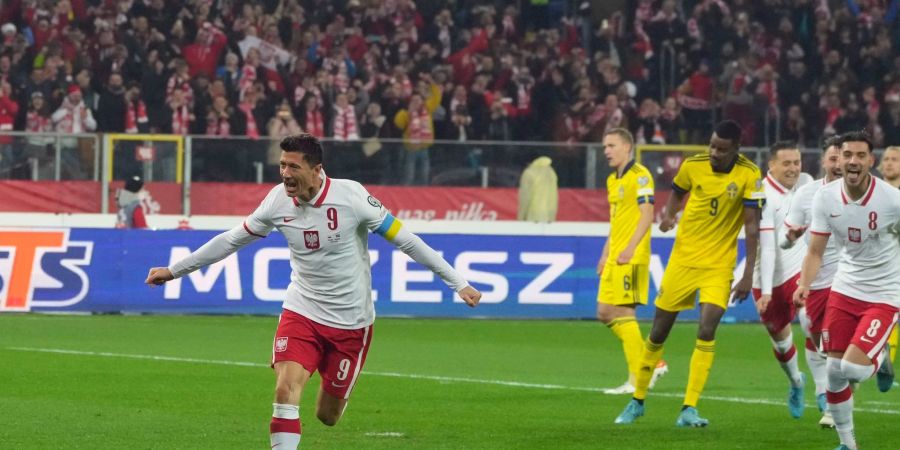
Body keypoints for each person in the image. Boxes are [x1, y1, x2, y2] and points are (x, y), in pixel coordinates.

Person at [145, 134, 482, 449]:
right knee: (285, 390)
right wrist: (174, 271)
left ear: (316, 169)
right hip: (302, 311)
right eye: (282, 165)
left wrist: (458, 282)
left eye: (293, 166)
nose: (285, 173)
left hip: (352, 323)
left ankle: (334, 392)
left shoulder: (351, 197)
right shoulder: (278, 201)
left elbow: (406, 240)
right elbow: (232, 240)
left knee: (327, 416)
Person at [615, 120, 764, 427]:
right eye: (711, 146)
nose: (713, 153)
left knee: (707, 329)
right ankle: (637, 400)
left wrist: (749, 273)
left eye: (722, 149)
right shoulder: (692, 165)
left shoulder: (749, 173)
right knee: (658, 333)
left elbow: (752, 227)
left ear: (736, 148)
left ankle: (689, 408)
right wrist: (669, 215)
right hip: (683, 261)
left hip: (719, 265)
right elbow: (677, 192)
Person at [793, 131, 900, 450]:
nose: (852, 161)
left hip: (884, 294)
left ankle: (879, 358)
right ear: (838, 158)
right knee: (835, 372)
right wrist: (804, 284)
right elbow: (814, 251)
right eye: (846, 155)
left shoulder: (892, 200)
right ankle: (848, 444)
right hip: (844, 288)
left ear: (872, 161)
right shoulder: (825, 198)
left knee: (853, 367)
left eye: (860, 155)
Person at [594, 128, 668, 395]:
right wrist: (606, 253)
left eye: (611, 145)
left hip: (632, 256)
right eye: (605, 147)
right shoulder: (613, 180)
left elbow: (647, 216)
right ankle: (653, 363)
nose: (607, 151)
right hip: (615, 256)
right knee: (603, 312)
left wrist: (630, 249)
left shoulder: (641, 177)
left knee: (625, 313)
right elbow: (616, 221)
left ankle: (637, 379)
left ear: (627, 147)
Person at [783, 135, 844, 428]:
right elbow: (787, 236)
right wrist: (790, 238)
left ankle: (832, 407)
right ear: (823, 161)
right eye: (832, 158)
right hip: (817, 279)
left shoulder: (863, 193)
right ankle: (877, 357)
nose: (838, 164)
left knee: (838, 348)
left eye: (841, 158)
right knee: (817, 337)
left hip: (850, 276)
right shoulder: (807, 194)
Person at [751, 141, 814, 419]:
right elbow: (766, 247)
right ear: (771, 166)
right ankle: (797, 382)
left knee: (811, 320)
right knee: (782, 343)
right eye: (786, 163)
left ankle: (826, 389)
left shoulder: (807, 184)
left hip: (800, 270)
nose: (793, 169)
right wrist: (765, 291)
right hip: (768, 276)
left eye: (797, 162)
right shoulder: (762, 196)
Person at [877, 145, 899, 368]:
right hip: (875, 263)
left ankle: (887, 361)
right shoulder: (870, 191)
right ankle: (884, 360)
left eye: (895, 159)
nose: (890, 163)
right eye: (887, 159)